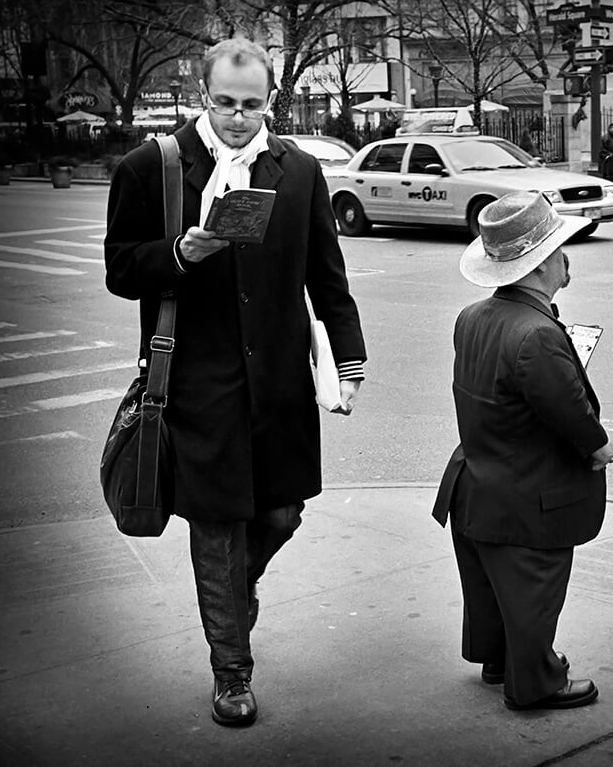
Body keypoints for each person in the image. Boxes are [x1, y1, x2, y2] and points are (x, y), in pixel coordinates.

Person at [104, 37, 366, 727]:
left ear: (271, 102)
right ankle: (232, 670)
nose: (238, 118)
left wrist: (349, 361)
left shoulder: (300, 170)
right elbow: (121, 270)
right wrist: (180, 254)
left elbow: (326, 276)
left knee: (282, 513)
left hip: (279, 384)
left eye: (252, 105)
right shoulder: (149, 167)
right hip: (197, 386)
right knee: (218, 527)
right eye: (225, 103)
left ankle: (229, 595)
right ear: (201, 96)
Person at [433, 190, 613, 711]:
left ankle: (498, 659)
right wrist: (600, 448)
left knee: (492, 584)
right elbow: (572, 414)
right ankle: (536, 680)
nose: (567, 257)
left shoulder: (473, 316)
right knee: (534, 587)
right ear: (538, 266)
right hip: (527, 489)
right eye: (560, 249)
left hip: (479, 480)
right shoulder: (536, 333)